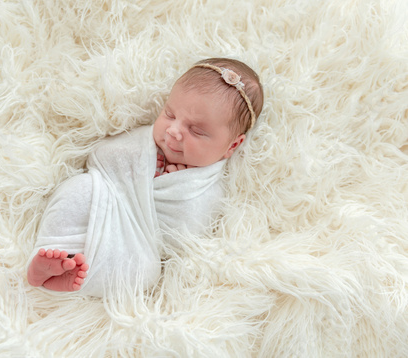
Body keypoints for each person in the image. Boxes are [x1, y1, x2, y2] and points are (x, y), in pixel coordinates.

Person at [27, 58, 264, 295]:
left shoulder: (207, 189)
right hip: (105, 197)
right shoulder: (144, 141)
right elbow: (101, 157)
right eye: (169, 114)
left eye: (196, 131)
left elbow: (183, 240)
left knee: (145, 272)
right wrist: (146, 171)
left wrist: (170, 191)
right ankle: (49, 252)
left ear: (232, 145)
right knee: (80, 189)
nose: (173, 131)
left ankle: (76, 276)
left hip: (136, 244)